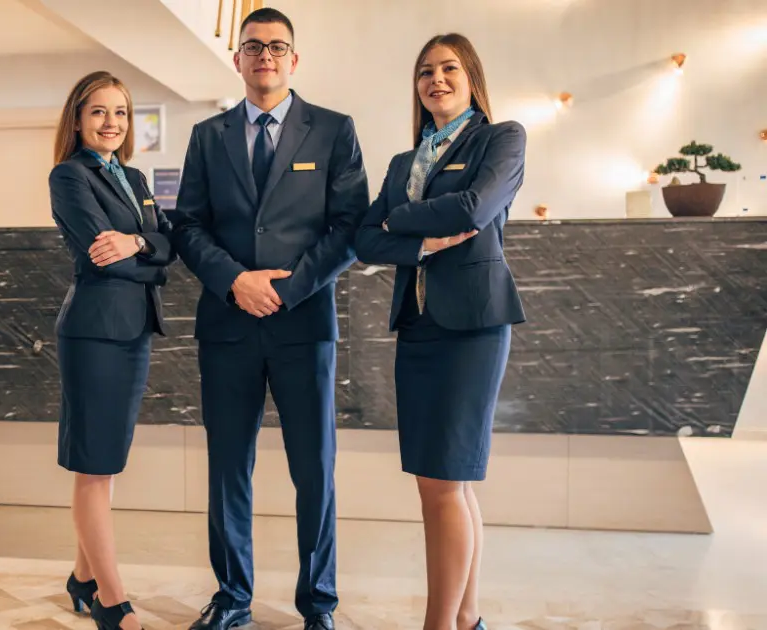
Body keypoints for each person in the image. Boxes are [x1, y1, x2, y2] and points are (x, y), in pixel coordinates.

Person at [172, 8, 366, 630]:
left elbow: (349, 228)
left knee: (314, 469)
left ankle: (319, 604)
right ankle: (232, 599)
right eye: (253, 46)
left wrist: (287, 289)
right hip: (227, 326)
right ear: (238, 59)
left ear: (294, 59)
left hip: (303, 325)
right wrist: (233, 280)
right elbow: (188, 226)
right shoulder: (209, 135)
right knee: (229, 466)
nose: (265, 56)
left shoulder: (334, 130)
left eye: (277, 47)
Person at [353, 33, 527, 630]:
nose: (436, 79)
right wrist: (419, 237)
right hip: (419, 327)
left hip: (473, 328)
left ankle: (438, 624)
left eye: (449, 68)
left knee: (445, 483)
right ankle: (466, 618)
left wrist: (398, 219)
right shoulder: (407, 162)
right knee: (442, 483)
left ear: (472, 78)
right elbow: (363, 239)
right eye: (425, 71)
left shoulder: (501, 139)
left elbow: (475, 208)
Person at [48, 70, 176, 630]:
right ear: (78, 119)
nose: (111, 123)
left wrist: (140, 242)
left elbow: (167, 244)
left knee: (107, 461)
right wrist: (142, 253)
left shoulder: (135, 176)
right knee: (94, 468)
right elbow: (106, 257)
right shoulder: (69, 177)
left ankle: (82, 576)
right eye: (99, 112)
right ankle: (110, 597)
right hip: (95, 333)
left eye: (120, 112)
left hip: (133, 330)